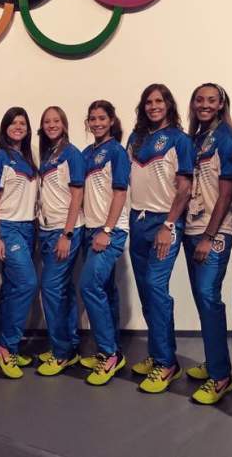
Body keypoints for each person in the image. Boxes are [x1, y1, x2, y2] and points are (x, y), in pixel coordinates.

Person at [127, 84, 194, 394]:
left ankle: (167, 363)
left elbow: (184, 188)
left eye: (159, 101)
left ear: (168, 104)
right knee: (145, 291)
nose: (154, 106)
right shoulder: (135, 138)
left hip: (163, 222)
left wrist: (169, 224)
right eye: (148, 102)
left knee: (156, 287)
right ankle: (157, 355)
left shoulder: (180, 140)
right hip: (138, 219)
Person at [182, 83, 232, 405]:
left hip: (213, 231)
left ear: (221, 105)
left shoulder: (226, 139)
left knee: (208, 296)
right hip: (193, 227)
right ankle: (214, 362)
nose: (204, 105)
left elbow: (227, 193)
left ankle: (220, 376)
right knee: (203, 299)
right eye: (199, 100)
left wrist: (209, 236)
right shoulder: (198, 138)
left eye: (211, 101)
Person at [78, 100, 130, 386]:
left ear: (111, 120)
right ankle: (111, 350)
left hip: (109, 231)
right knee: (106, 289)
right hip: (90, 229)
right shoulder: (87, 153)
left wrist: (107, 230)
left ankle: (108, 353)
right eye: (92, 119)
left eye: (102, 118)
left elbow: (120, 194)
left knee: (89, 286)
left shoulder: (117, 152)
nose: (97, 123)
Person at [0, 107, 39, 379]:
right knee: (28, 283)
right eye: (13, 122)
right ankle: (8, 348)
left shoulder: (28, 160)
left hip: (28, 228)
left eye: (23, 123)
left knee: (11, 288)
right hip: (8, 229)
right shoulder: (0, 159)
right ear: (5, 127)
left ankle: (2, 344)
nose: (18, 126)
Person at [36, 106, 86, 376]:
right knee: (63, 289)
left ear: (64, 124)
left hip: (64, 231)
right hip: (47, 229)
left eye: (56, 121)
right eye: (47, 121)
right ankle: (70, 343)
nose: (51, 125)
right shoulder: (48, 154)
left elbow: (77, 196)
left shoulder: (72, 154)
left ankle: (60, 352)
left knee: (51, 288)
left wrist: (67, 234)